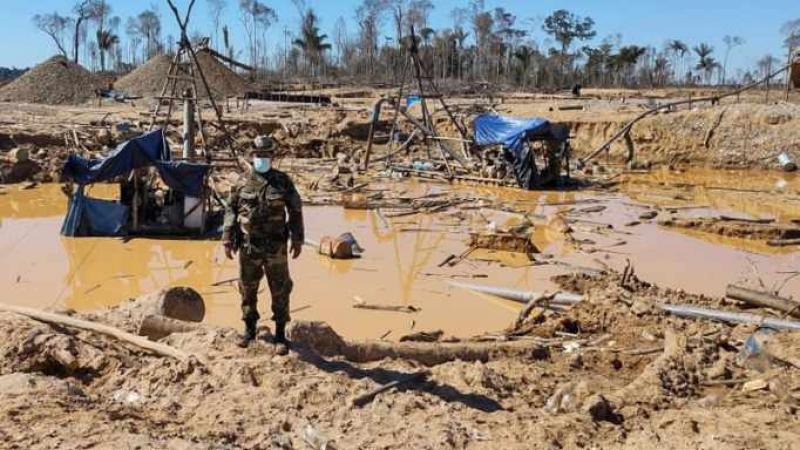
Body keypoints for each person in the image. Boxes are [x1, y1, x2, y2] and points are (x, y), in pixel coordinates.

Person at [222, 136, 304, 351]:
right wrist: (227, 238)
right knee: (247, 288)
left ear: (272, 156)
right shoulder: (241, 181)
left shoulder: (282, 181)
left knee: (280, 289)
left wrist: (297, 239)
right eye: (258, 155)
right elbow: (230, 209)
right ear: (252, 156)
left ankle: (280, 336)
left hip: (276, 247)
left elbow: (295, 210)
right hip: (249, 246)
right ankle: (249, 330)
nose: (262, 158)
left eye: (266, 155)